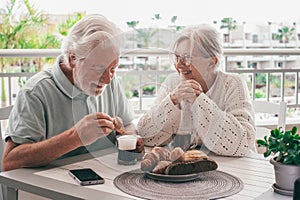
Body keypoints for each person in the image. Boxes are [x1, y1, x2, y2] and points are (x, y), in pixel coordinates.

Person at [2, 14, 143, 171]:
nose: (108, 79)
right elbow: (10, 161)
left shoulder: (110, 82)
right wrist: (74, 137)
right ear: (72, 59)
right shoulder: (35, 92)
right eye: (98, 68)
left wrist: (129, 137)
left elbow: (129, 124)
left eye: (113, 69)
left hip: (105, 180)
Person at [137, 24, 255, 157]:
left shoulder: (232, 83)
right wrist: (173, 100)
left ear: (212, 61)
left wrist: (199, 99)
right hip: (187, 168)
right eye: (176, 57)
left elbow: (243, 143)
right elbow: (145, 134)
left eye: (187, 57)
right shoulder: (173, 82)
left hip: (236, 168)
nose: (178, 64)